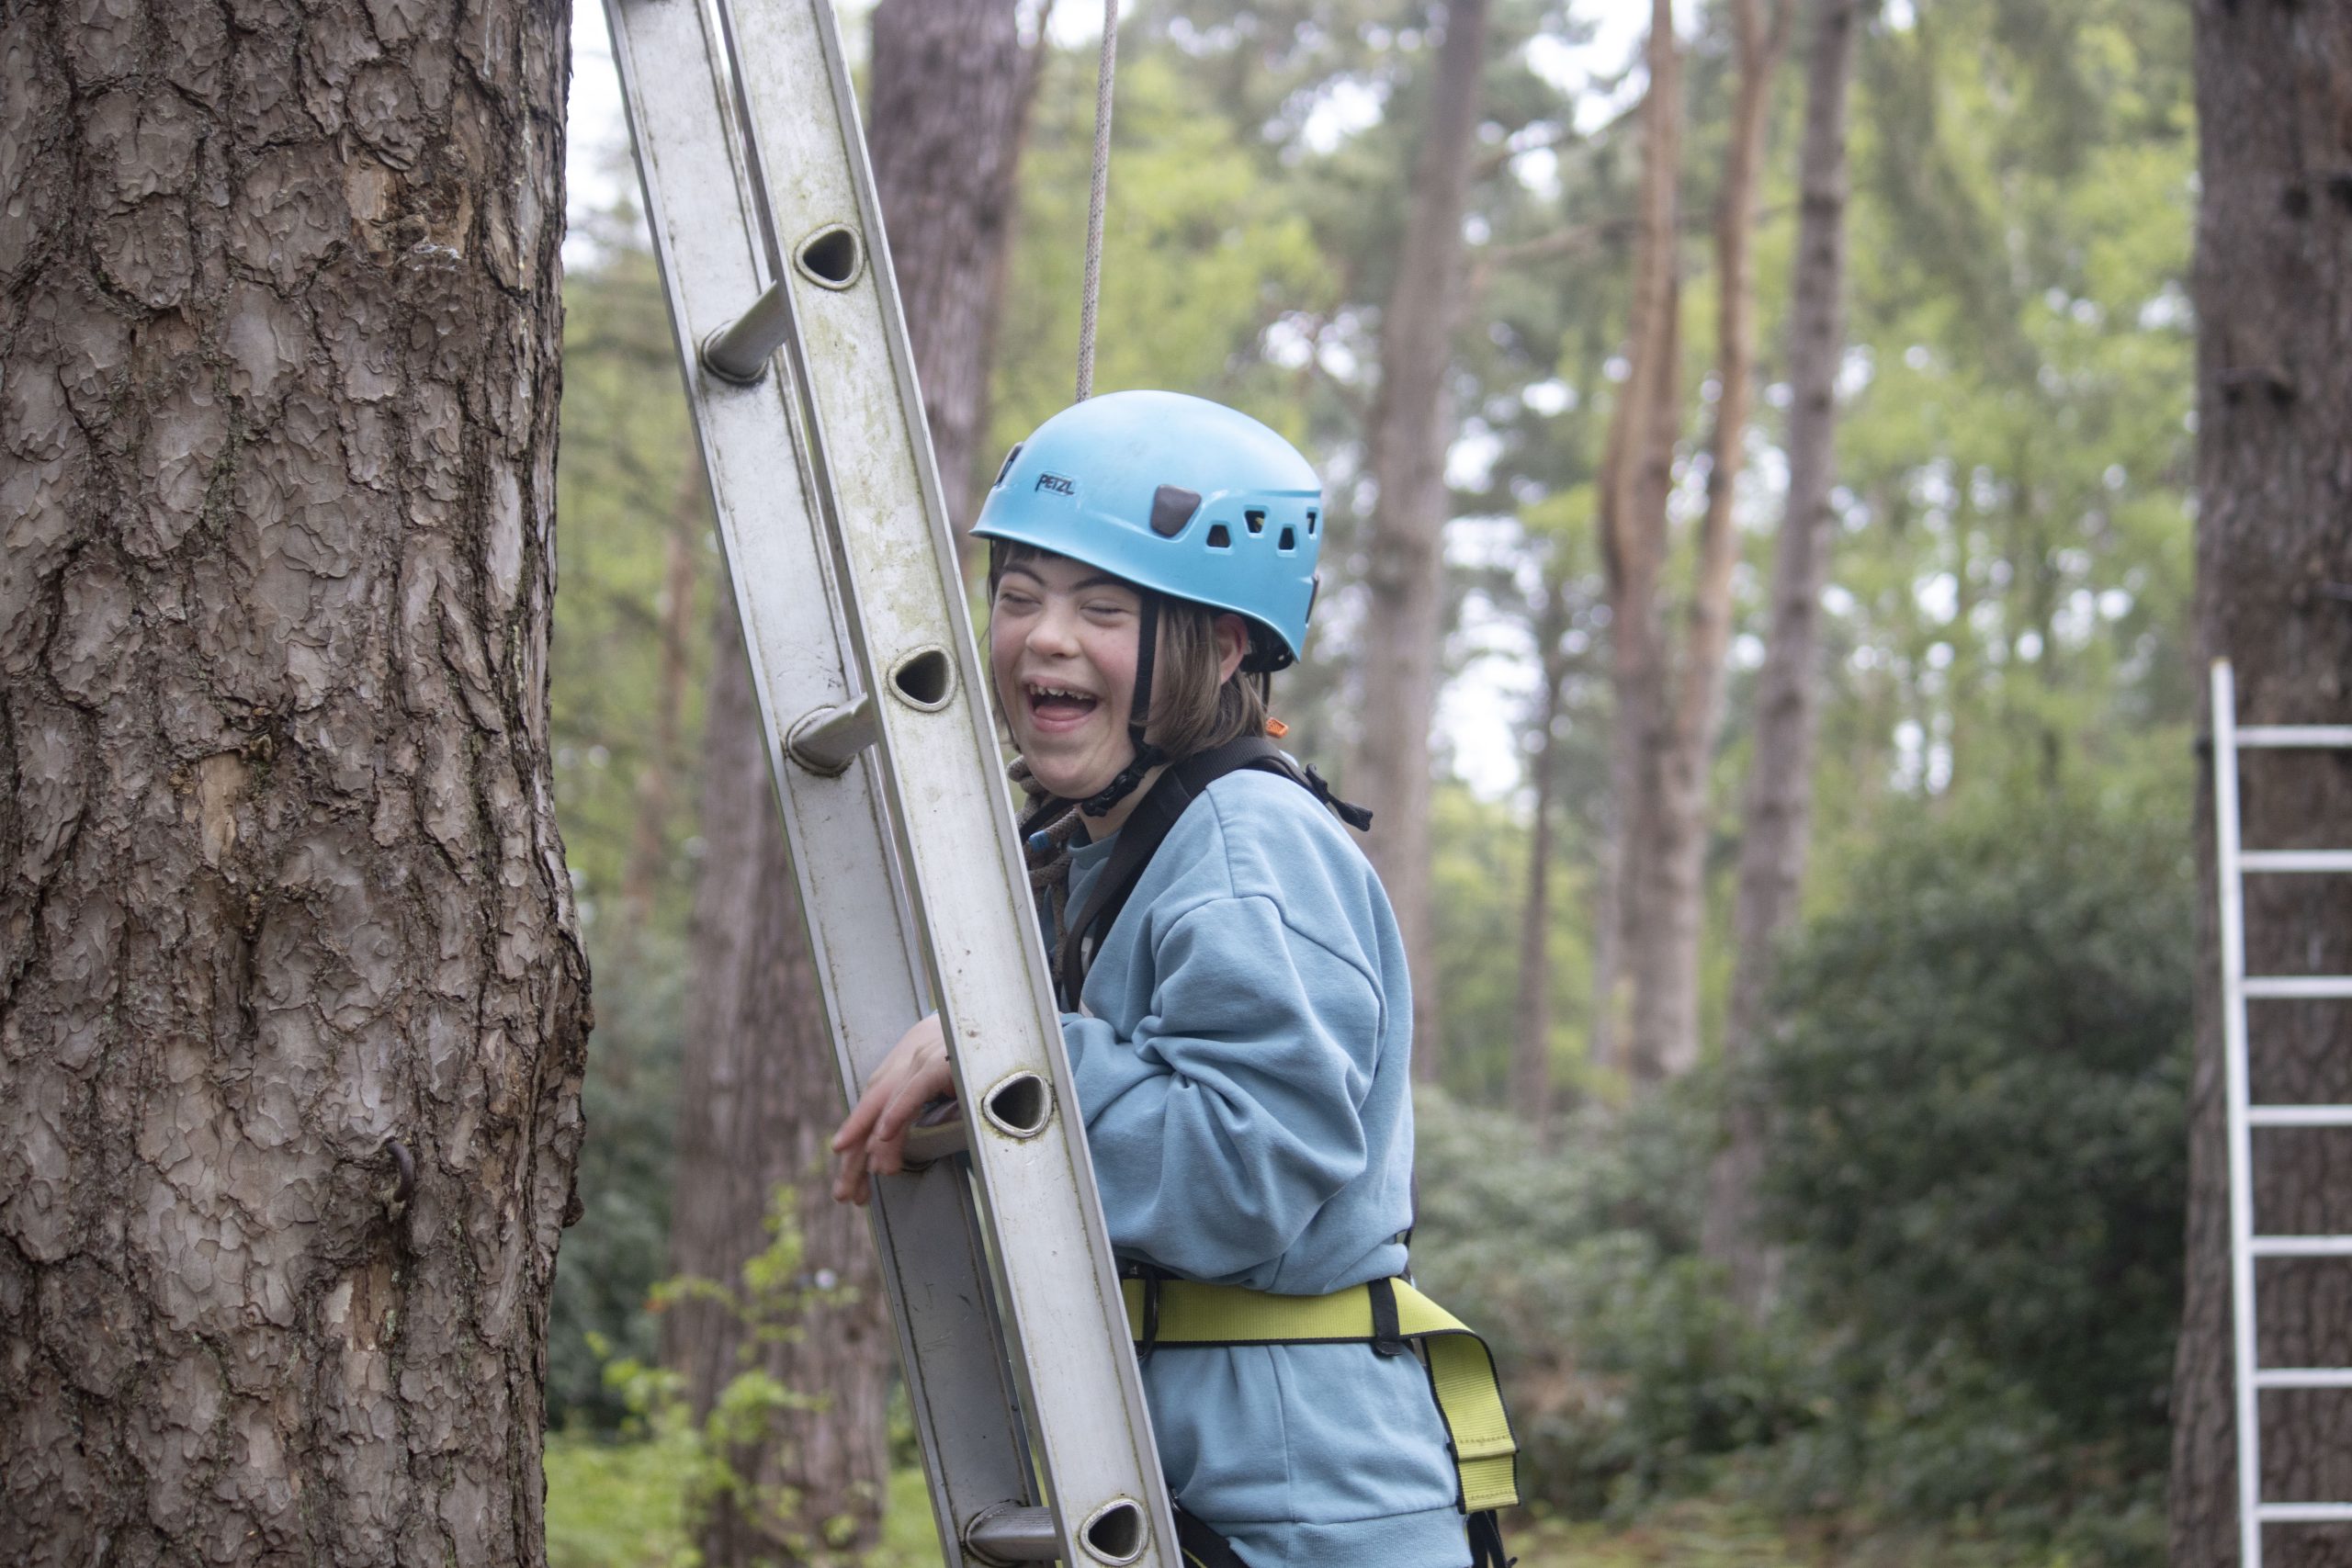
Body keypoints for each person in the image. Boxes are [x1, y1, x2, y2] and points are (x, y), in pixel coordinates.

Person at [831, 390, 1513, 1568]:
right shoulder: (1101, 840)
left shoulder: (1244, 845)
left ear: (1221, 643)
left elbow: (1244, 1172)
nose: (1044, 636)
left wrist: (1012, 1050)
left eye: (1103, 607)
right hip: (1204, 1471)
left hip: (1297, 1502)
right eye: (1019, 593)